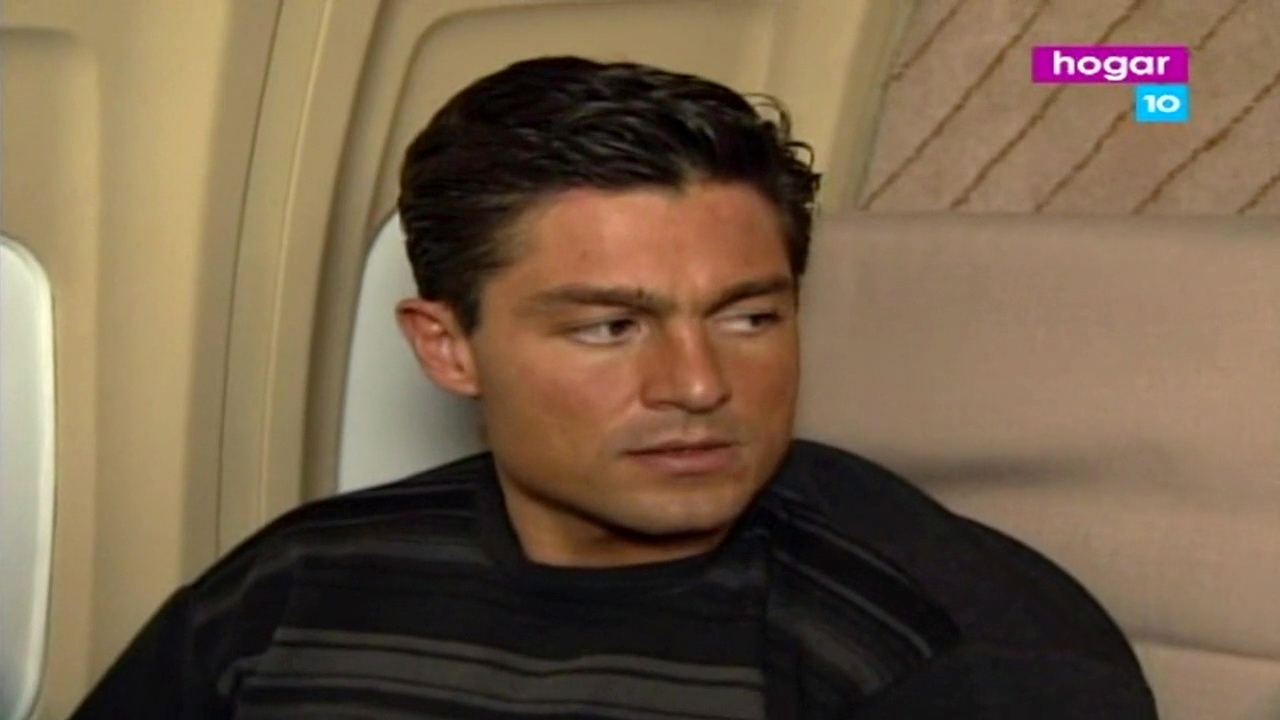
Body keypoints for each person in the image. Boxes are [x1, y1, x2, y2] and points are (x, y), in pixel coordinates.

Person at [70, 56, 1157, 719]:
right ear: (448, 348)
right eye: (607, 327)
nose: (698, 384)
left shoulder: (951, 648)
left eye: (748, 317)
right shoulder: (296, 586)